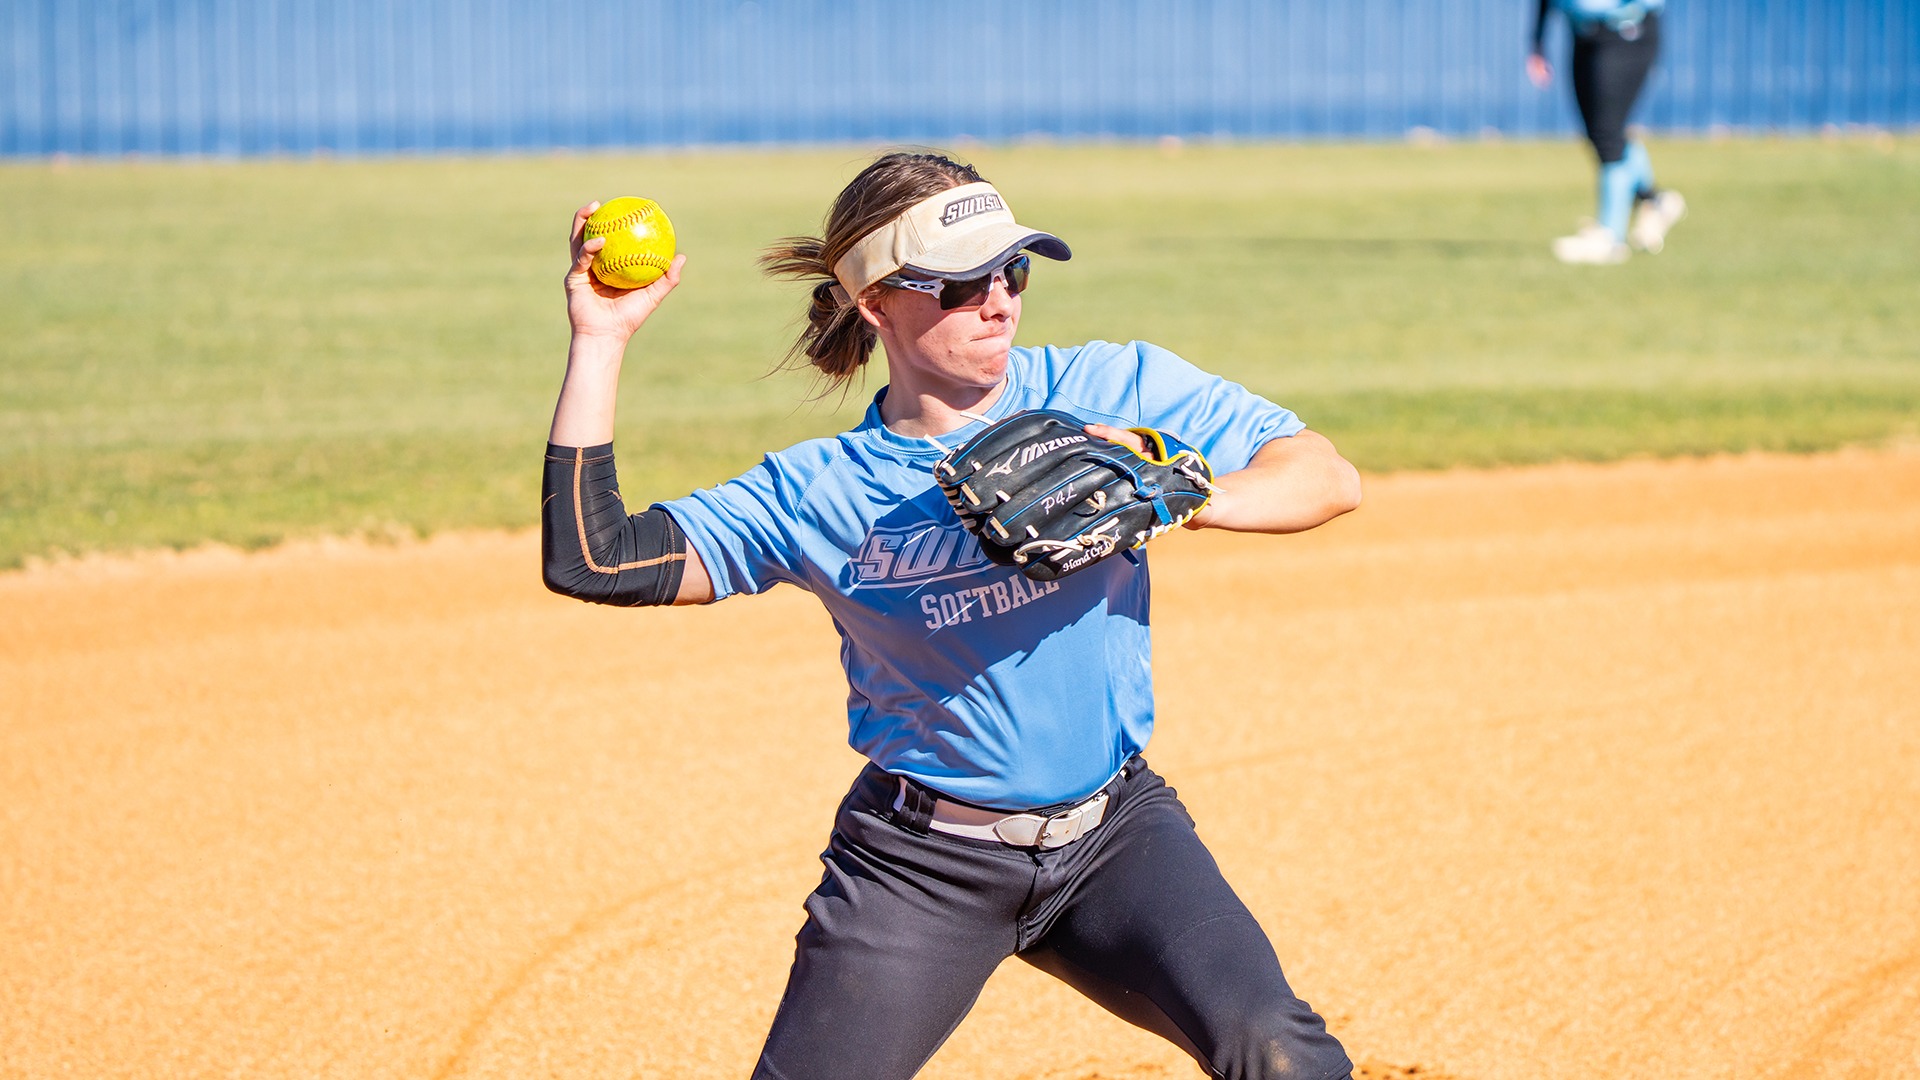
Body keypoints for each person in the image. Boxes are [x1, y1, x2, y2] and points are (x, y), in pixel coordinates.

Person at [541, 150, 1363, 1080]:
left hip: (1116, 839)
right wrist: (601, 340)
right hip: (918, 871)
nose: (1000, 300)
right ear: (875, 300)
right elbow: (595, 558)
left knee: (1279, 1052)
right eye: (961, 281)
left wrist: (1177, 492)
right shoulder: (819, 491)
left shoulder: (1108, 390)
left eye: (1012, 269)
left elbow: (1327, 477)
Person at [1528, 0, 1687, 264]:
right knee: (1600, 133)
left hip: (1626, 31)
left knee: (1607, 133)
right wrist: (1537, 42)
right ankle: (1655, 200)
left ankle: (1610, 238)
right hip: (1583, 35)